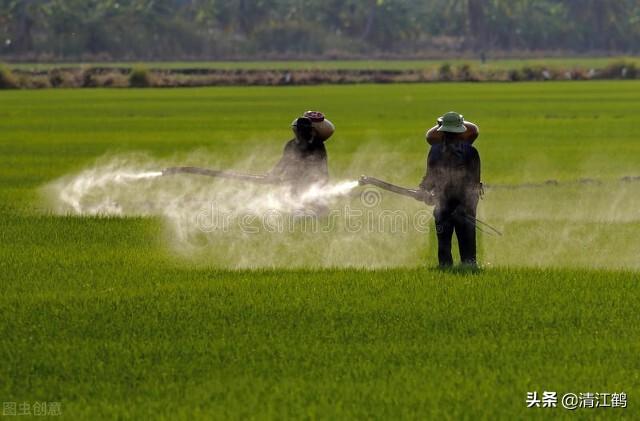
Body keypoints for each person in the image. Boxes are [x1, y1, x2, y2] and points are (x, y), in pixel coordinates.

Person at [418, 111, 482, 268]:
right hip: (463, 206)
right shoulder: (471, 152)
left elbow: (429, 178)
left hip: (444, 205)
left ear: (443, 131)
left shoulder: (434, 151)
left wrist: (424, 190)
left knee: (444, 246)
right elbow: (475, 182)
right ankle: (468, 267)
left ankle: (446, 268)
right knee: (467, 248)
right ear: (461, 131)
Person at [269, 111, 334, 194]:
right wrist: (273, 174)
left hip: (315, 184)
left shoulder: (317, 145)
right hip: (295, 184)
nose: (302, 133)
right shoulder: (291, 144)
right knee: (297, 203)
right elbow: (284, 161)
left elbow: (318, 167)